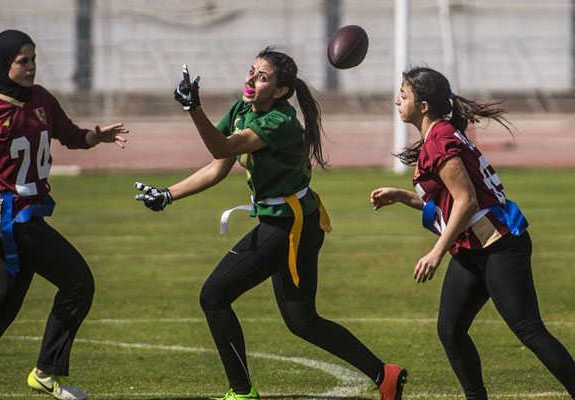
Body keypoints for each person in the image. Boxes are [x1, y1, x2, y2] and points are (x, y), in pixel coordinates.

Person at [134, 47, 406, 400]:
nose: (250, 80)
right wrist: (168, 194)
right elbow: (220, 166)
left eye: (262, 78)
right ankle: (385, 374)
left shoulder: (278, 121)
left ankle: (242, 392)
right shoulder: (243, 109)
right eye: (251, 71)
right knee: (302, 321)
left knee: (213, 296)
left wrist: (193, 108)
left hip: (288, 225)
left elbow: (220, 148)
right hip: (294, 221)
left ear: (280, 91)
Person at [0, 30, 128, 400]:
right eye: (23, 61)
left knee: (0, 305)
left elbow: (68, 134)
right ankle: (47, 373)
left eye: (33, 59)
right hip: (3, 217)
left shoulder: (40, 99)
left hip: (26, 215)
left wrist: (96, 136)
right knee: (79, 282)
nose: (31, 67)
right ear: (5, 64)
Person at [370, 66, 575, 399]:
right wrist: (401, 196)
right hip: (474, 247)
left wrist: (436, 252)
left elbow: (466, 202)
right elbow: (453, 202)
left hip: (499, 246)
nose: (397, 100)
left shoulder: (439, 138)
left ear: (423, 106)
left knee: (528, 329)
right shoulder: (440, 133)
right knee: (450, 329)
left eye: (404, 95)